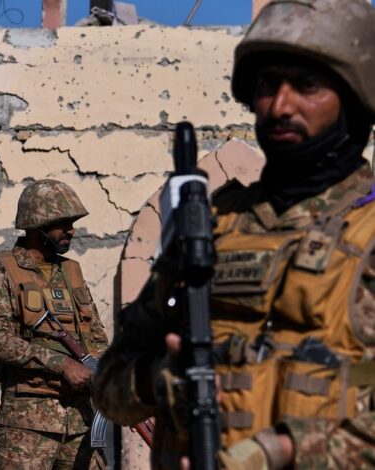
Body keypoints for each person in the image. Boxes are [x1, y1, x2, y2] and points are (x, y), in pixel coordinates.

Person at [92, 0, 375, 468]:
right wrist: (162, 378)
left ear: (354, 95)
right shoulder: (212, 227)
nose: (280, 106)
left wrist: (280, 452)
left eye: (306, 86)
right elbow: (109, 386)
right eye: (267, 85)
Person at [0, 179, 109, 470]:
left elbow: (96, 335)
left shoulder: (71, 271)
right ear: (37, 225)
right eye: (63, 224)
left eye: (72, 223)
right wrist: (61, 365)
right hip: (27, 427)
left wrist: (105, 368)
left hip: (81, 422)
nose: (71, 230)